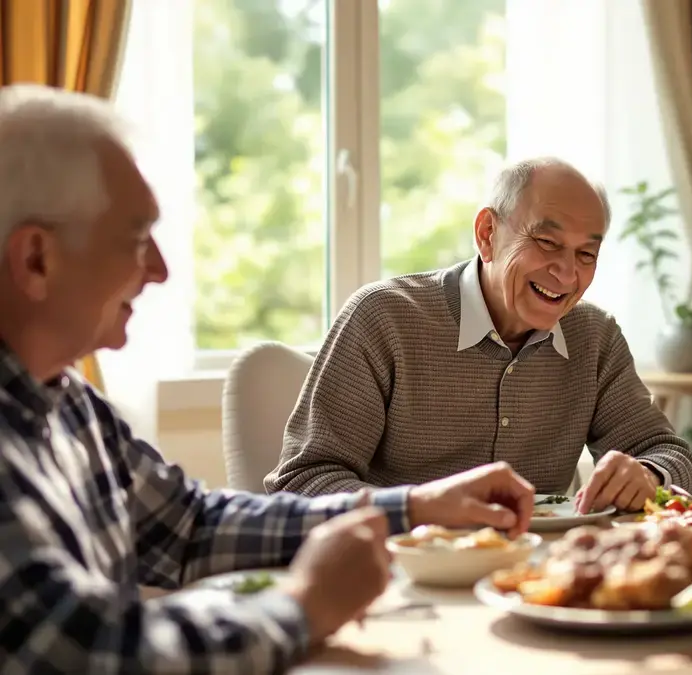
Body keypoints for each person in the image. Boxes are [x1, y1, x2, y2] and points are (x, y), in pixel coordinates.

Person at [0, 84, 536, 673]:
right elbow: (87, 655)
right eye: (134, 238)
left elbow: (190, 526)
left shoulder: (67, 403)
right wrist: (303, 604)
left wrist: (416, 508)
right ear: (36, 260)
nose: (159, 268)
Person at [265, 156, 692, 514]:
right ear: (487, 234)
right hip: (402, 581)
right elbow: (302, 482)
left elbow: (669, 453)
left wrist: (648, 474)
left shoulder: (594, 337)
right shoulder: (384, 318)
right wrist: (420, 508)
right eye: (546, 243)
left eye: (586, 253)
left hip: (541, 582)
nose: (568, 274)